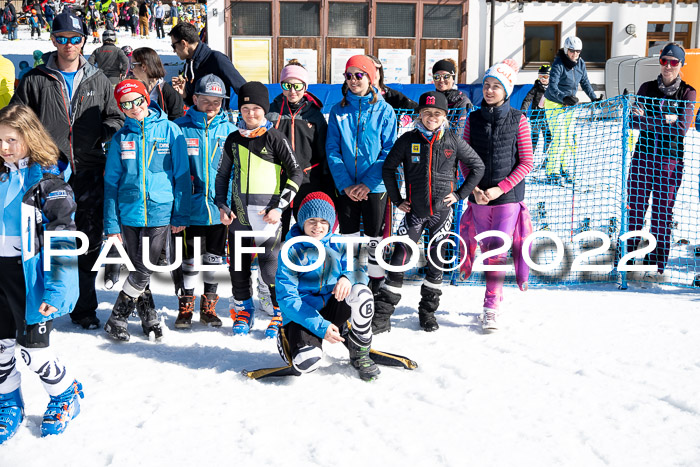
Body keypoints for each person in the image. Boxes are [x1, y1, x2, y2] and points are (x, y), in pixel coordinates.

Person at [11, 12, 125, 330]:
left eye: (75, 39)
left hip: (89, 170)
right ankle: (38, 306)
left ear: (84, 41)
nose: (68, 45)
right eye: (62, 38)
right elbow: (16, 122)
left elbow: (114, 117)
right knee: (44, 241)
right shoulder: (35, 79)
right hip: (47, 171)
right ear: (53, 40)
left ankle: (83, 307)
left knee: (86, 240)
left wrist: (101, 136)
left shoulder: (98, 79)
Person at [0, 104, 85, 443]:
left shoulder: (48, 184)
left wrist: (57, 290)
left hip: (30, 280)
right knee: (1, 348)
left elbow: (63, 239)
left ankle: (65, 395)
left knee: (33, 351)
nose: (4, 148)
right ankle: (9, 402)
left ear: (30, 138)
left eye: (11, 140)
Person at [372, 91, 485, 334]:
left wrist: (459, 194)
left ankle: (427, 312)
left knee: (436, 262)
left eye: (436, 113)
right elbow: (388, 169)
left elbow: (477, 166)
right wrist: (397, 199)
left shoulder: (452, 140)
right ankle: (382, 316)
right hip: (414, 213)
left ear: (444, 116)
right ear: (419, 115)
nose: (431, 117)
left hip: (441, 215)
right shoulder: (408, 140)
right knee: (398, 260)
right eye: (426, 113)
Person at [103, 79, 190, 341]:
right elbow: (110, 183)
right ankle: (148, 316)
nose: (133, 107)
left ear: (146, 98)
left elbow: (183, 176)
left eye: (137, 100)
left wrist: (180, 213)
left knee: (144, 268)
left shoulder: (171, 131)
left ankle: (117, 317)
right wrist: (111, 224)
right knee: (139, 268)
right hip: (129, 212)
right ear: (121, 107)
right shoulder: (121, 138)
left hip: (160, 210)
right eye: (126, 104)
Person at [214, 82, 303, 338]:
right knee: (238, 265)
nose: (251, 113)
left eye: (256, 108)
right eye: (245, 108)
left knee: (270, 267)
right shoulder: (233, 139)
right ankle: (243, 310)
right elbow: (222, 176)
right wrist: (222, 205)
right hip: (239, 214)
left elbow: (296, 172)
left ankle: (279, 312)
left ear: (264, 110)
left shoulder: (274, 136)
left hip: (268, 214)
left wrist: (280, 207)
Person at [458, 59, 534, 333]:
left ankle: (491, 305)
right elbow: (463, 158)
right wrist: (475, 188)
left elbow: (526, 162)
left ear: (507, 90)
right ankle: (496, 292)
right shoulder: (472, 119)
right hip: (478, 196)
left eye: (496, 86)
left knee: (496, 251)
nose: (489, 91)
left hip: (507, 198)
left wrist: (499, 189)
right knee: (486, 246)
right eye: (487, 85)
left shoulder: (519, 120)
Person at [275, 192, 381, 381]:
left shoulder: (339, 243)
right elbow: (287, 298)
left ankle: (360, 352)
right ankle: (288, 337)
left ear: (331, 223)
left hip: (334, 306)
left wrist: (347, 278)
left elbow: (360, 270)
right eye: (312, 220)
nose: (318, 226)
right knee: (307, 363)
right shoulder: (291, 249)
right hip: (305, 315)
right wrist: (320, 327)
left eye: (324, 221)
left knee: (361, 292)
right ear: (302, 221)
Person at [326, 55, 397, 294]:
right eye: (349, 75)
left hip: (375, 187)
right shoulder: (338, 110)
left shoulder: (384, 110)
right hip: (346, 187)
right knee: (349, 236)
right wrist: (346, 184)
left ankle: (376, 283)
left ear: (369, 77)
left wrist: (368, 183)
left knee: (375, 237)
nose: (354, 80)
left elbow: (388, 151)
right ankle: (351, 279)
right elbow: (332, 150)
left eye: (359, 74)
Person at [172, 74, 235, 329]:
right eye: (206, 100)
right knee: (190, 259)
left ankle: (209, 306)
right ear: (194, 98)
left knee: (214, 259)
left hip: (220, 209)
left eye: (217, 101)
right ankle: (185, 306)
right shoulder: (179, 128)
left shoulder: (229, 130)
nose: (211, 106)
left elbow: (236, 172)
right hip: (190, 208)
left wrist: (231, 205)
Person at [627, 43, 696, 275]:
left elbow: (682, 129)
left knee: (662, 212)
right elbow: (633, 121)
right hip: (643, 157)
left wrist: (650, 118)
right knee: (635, 208)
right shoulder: (646, 88)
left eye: (674, 62)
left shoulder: (688, 92)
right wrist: (666, 120)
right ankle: (628, 255)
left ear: (681, 65)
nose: (668, 66)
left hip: (670, 162)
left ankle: (657, 262)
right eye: (664, 61)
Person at [267, 60, 330, 239]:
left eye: (297, 86)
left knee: (309, 230)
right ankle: (278, 265)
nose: (292, 91)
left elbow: (323, 150)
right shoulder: (271, 113)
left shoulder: (314, 115)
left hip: (308, 182)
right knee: (278, 232)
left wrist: (325, 181)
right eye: (287, 85)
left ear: (305, 86)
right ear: (281, 86)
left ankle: (309, 264)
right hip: (278, 182)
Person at [543, 36, 599, 184]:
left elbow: (585, 82)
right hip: (555, 104)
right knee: (559, 137)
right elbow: (552, 87)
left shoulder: (580, 63)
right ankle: (552, 171)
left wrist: (593, 98)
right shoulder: (558, 64)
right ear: (566, 49)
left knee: (568, 138)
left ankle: (564, 167)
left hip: (569, 105)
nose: (574, 54)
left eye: (578, 51)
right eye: (572, 51)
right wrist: (563, 98)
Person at [169, 21, 246, 107]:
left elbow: (243, 89)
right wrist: (184, 94)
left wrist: (248, 113)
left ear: (184, 43)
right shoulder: (188, 65)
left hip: (217, 118)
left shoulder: (217, 59)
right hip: (198, 118)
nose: (174, 50)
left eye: (174, 46)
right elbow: (194, 104)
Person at [131, 47, 184, 120]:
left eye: (133, 65)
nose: (131, 69)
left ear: (143, 67)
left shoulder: (169, 92)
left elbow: (176, 122)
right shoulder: (137, 89)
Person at [520, 64, 552, 159]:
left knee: (548, 138)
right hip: (536, 117)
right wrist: (523, 111)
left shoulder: (552, 89)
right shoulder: (536, 88)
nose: (542, 79)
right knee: (534, 137)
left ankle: (546, 158)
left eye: (545, 76)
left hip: (548, 118)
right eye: (540, 76)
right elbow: (527, 99)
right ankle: (529, 157)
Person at [432, 59, 472, 133]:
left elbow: (460, 133)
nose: (441, 80)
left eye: (446, 76)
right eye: (437, 77)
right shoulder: (431, 99)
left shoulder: (462, 101)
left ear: (453, 79)